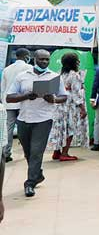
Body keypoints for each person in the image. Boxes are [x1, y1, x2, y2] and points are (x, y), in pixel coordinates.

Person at [5, 49, 67, 197]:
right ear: (34, 59)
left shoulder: (54, 77)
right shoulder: (22, 76)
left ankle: (30, 183)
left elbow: (63, 96)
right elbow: (9, 97)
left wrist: (54, 100)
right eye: (41, 59)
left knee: (36, 152)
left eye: (47, 60)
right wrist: (26, 96)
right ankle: (37, 174)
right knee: (28, 152)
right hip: (24, 119)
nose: (44, 62)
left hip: (44, 120)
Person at [48, 53, 87, 161]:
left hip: (59, 105)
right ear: (74, 62)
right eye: (77, 60)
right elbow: (76, 93)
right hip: (70, 106)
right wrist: (82, 108)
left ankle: (57, 152)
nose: (78, 62)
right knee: (70, 128)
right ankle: (64, 153)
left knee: (60, 128)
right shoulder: (75, 75)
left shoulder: (58, 74)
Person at [1, 48, 32, 162]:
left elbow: (3, 88)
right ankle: (27, 152)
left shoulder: (7, 69)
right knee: (25, 128)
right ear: (26, 56)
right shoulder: (29, 68)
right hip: (23, 102)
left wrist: (4, 101)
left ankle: (6, 153)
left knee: (8, 129)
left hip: (9, 102)